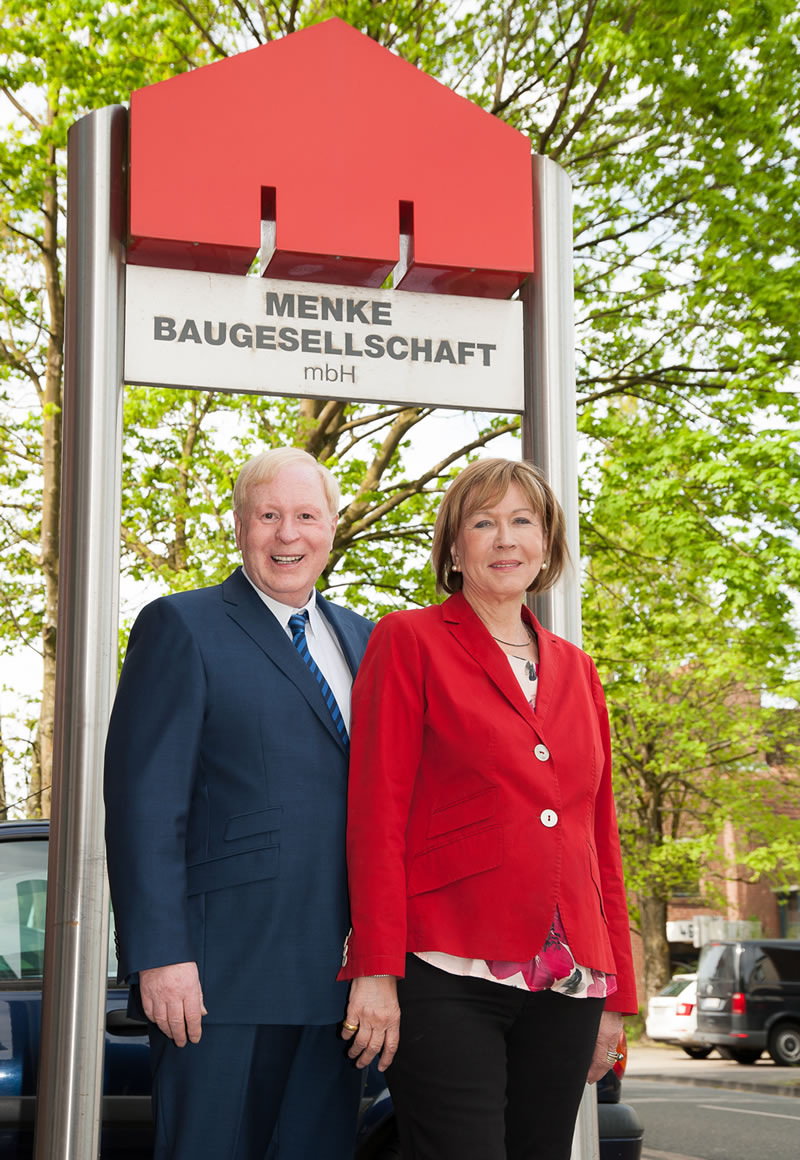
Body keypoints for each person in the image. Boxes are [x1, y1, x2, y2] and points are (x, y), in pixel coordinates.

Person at [338, 457, 638, 1160]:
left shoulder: (577, 667)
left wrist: (617, 989)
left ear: (546, 543)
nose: (506, 539)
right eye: (484, 522)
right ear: (453, 548)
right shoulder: (407, 640)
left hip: (569, 982)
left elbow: (599, 836)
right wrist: (375, 969)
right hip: (446, 970)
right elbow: (375, 815)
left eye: (522, 522)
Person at [104, 447, 372, 1160]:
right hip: (218, 985)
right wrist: (161, 956)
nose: (289, 534)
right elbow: (144, 805)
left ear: (332, 528)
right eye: (269, 515)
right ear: (239, 527)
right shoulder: (181, 626)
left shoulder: (366, 640)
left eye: (306, 516)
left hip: (340, 990)